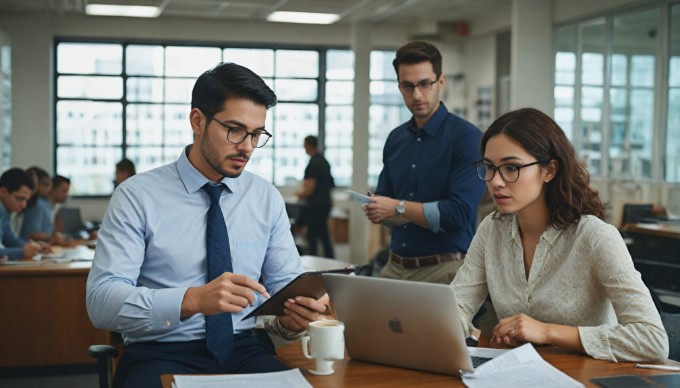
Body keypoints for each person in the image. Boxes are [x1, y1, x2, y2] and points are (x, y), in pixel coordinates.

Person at [86, 62, 328, 387]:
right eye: (235, 130)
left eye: (256, 134)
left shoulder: (264, 197)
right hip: (160, 350)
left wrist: (299, 312)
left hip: (244, 349)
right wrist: (192, 300)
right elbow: (102, 301)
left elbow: (284, 286)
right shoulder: (136, 196)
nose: (246, 147)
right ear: (197, 121)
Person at [451, 108, 669, 362]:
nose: (496, 181)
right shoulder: (492, 228)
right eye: (489, 167)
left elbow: (653, 340)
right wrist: (453, 324)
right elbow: (458, 305)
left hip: (587, 377)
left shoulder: (596, 237)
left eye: (511, 168)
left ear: (549, 170)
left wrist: (547, 332)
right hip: (519, 373)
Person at [362, 41, 485, 284]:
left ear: (441, 82)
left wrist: (399, 207)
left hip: (444, 270)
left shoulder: (468, 138)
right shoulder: (396, 139)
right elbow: (389, 204)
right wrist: (380, 208)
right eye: (407, 86)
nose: (416, 94)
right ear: (399, 87)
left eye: (425, 84)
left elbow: (460, 212)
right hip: (394, 266)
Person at [295, 135, 335, 258]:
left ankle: (312, 262)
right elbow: (331, 184)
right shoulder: (323, 161)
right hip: (325, 204)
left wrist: (298, 195)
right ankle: (331, 261)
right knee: (323, 235)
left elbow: (309, 189)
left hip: (316, 206)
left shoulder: (314, 163)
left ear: (308, 145)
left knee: (311, 235)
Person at [0, 168, 43, 260]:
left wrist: (33, 246)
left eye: (26, 200)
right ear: (3, 192)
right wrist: (22, 252)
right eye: (20, 199)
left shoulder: (4, 214)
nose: (24, 205)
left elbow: (11, 240)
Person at [18, 166, 54, 241]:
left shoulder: (43, 203)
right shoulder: (36, 204)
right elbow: (31, 234)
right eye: (44, 184)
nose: (35, 187)